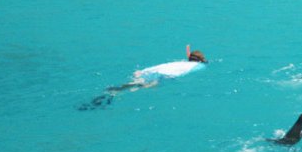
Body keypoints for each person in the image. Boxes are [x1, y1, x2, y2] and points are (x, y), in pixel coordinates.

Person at [79, 45, 207, 109]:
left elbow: (163, 66)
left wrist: (142, 72)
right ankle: (112, 96)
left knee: (131, 84)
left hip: (151, 71)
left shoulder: (179, 62)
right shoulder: (200, 66)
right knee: (141, 87)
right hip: (166, 76)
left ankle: (112, 91)